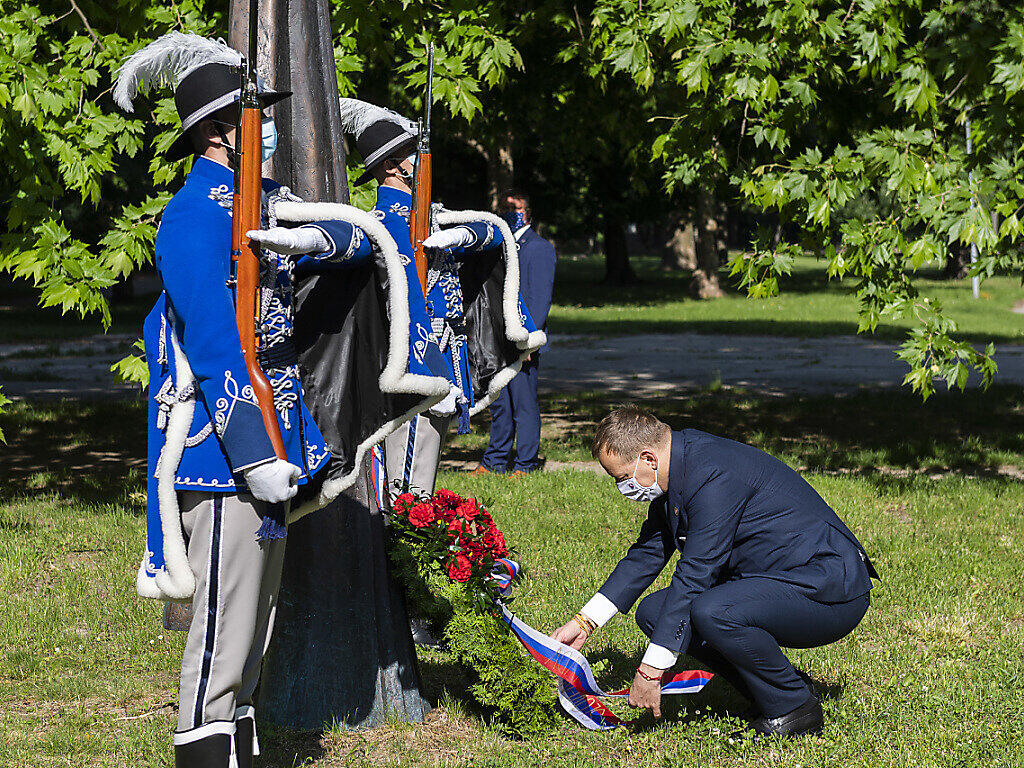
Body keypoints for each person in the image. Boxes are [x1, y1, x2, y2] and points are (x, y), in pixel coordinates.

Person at [115, 34, 379, 768]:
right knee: (225, 621)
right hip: (224, 448)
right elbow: (214, 344)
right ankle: (202, 746)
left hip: (276, 433)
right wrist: (256, 453)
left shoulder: (262, 206)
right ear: (217, 132)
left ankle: (240, 745)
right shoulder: (194, 217)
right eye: (254, 117)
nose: (269, 132)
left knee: (257, 619)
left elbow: (365, 244)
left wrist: (314, 240)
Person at [552, 406, 878, 738]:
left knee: (713, 611)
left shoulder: (712, 474)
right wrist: (584, 623)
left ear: (648, 459)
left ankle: (794, 708)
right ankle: (776, 688)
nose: (622, 487)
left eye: (621, 477)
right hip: (774, 580)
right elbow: (646, 554)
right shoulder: (678, 468)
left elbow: (695, 574)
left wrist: (651, 669)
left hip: (829, 591)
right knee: (654, 612)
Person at [336, 98, 545, 500]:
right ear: (391, 166)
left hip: (447, 360)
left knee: (423, 470)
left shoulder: (432, 218)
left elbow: (491, 233)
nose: (420, 161)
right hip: (410, 365)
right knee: (407, 480)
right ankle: (405, 536)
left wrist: (465, 235)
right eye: (410, 154)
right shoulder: (382, 225)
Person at [476, 189, 556, 475]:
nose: (510, 213)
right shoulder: (498, 245)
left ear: (528, 212)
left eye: (516, 208)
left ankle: (526, 463)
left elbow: (539, 301)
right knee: (500, 405)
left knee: (524, 405)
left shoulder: (539, 248)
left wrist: (528, 342)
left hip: (523, 339)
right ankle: (495, 460)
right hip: (496, 339)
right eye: (506, 208)